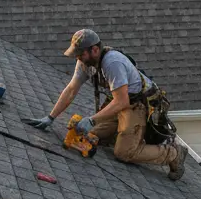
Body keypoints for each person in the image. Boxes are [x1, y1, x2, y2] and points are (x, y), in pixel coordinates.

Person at [26, 29, 187, 180]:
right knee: (90, 135)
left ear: (95, 50)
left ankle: (174, 153)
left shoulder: (112, 63)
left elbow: (122, 101)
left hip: (137, 104)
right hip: (118, 101)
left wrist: (91, 120)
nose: (78, 58)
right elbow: (71, 90)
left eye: (81, 54)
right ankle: (121, 133)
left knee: (124, 153)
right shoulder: (85, 62)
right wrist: (50, 117)